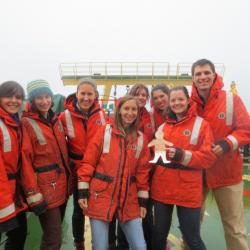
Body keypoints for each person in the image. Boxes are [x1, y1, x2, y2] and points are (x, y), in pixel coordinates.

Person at [77, 95, 151, 250]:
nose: (130, 113)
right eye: (126, 108)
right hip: (101, 197)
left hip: (129, 199)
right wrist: (83, 190)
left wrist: (143, 201)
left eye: (133, 109)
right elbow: (89, 162)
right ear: (118, 111)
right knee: (100, 247)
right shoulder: (104, 132)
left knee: (139, 246)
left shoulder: (141, 140)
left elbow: (142, 172)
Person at [191, 59, 250, 250]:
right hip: (197, 174)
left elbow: (246, 129)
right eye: (198, 74)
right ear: (193, 78)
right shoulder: (188, 105)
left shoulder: (232, 100)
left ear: (214, 75)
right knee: (191, 226)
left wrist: (227, 143)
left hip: (227, 174)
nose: (203, 77)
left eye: (206, 73)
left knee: (234, 229)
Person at [151, 86, 216, 250]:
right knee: (158, 235)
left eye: (180, 99)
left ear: (188, 101)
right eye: (173, 100)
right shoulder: (163, 127)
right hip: (162, 188)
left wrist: (182, 155)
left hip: (188, 190)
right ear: (169, 103)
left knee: (192, 238)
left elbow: (208, 158)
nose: (177, 103)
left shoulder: (202, 125)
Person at [21, 79, 72, 250]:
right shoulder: (26, 123)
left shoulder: (55, 120)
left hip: (61, 187)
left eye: (47, 97)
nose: (44, 101)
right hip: (44, 190)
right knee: (53, 239)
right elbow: (25, 162)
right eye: (39, 98)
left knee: (51, 237)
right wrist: (33, 194)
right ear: (32, 101)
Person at [59, 78, 107, 250]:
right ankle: (78, 242)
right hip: (78, 170)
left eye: (90, 94)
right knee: (79, 210)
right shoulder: (64, 117)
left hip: (99, 169)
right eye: (83, 93)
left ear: (95, 96)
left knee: (100, 207)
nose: (86, 98)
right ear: (76, 94)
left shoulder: (103, 115)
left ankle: (105, 242)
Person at [0, 81, 28, 250]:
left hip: (14, 194)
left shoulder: (15, 123)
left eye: (18, 97)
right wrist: (5, 205)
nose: (14, 100)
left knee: (18, 237)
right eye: (8, 96)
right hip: (4, 195)